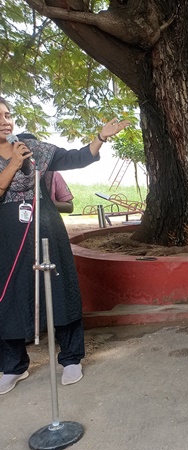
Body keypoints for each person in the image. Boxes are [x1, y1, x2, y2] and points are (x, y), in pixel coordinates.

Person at [0, 96, 129, 394]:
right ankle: (14, 365)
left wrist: (99, 138)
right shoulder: (16, 156)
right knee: (10, 296)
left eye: (8, 114)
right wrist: (14, 163)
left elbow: (76, 158)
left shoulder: (34, 148)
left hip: (47, 231)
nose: (6, 121)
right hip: (7, 239)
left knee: (59, 289)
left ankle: (71, 358)